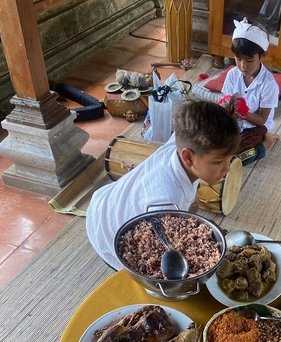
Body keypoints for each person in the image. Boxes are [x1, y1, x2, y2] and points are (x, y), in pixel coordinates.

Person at [86, 100, 240, 269]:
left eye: (228, 159)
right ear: (188, 157)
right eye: (218, 161)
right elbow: (163, 257)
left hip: (110, 199)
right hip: (107, 232)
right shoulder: (166, 201)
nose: (227, 169)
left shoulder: (181, 142)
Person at [221, 17, 280, 164]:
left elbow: (261, 120)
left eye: (249, 60)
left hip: (255, 126)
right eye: (238, 59)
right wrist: (227, 109)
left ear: (262, 56)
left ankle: (267, 142)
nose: (243, 66)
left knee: (239, 158)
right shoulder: (232, 74)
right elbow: (226, 101)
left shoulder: (269, 84)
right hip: (234, 123)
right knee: (209, 143)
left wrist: (243, 113)